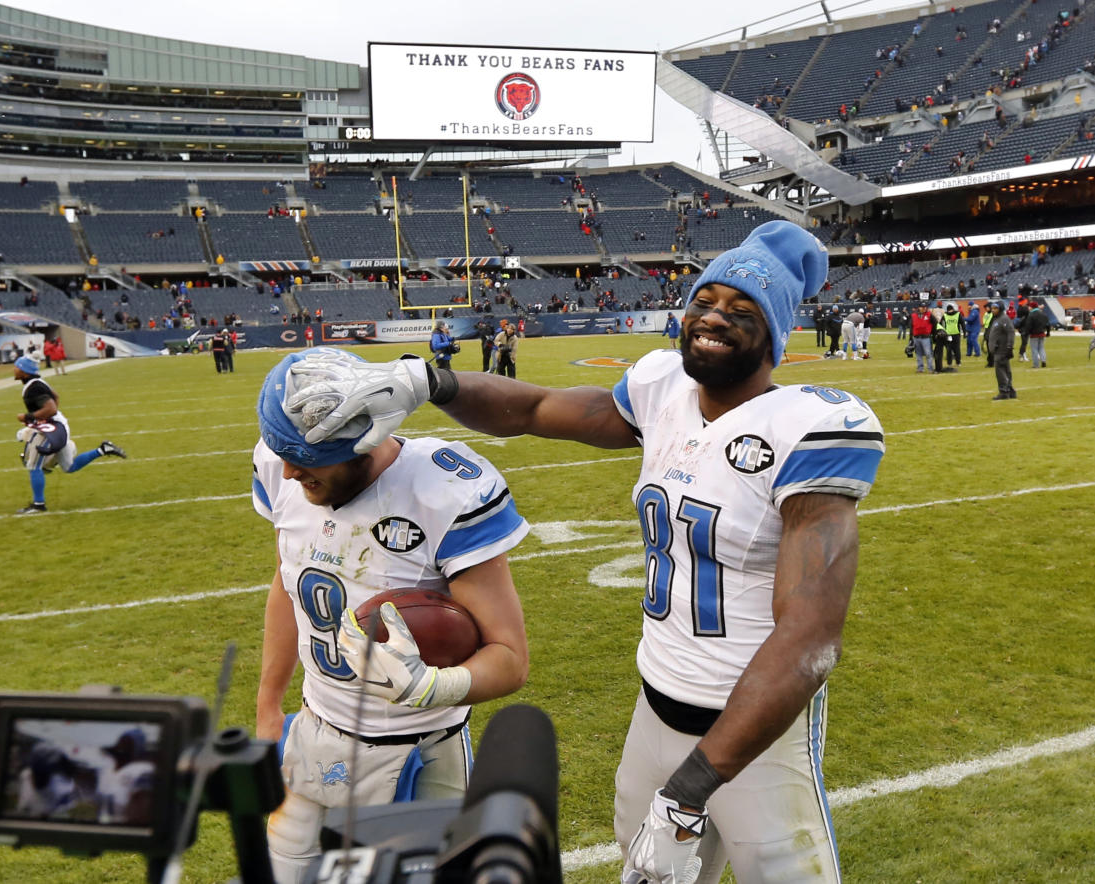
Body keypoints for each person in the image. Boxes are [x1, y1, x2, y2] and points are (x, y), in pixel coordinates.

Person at [291, 221, 886, 884]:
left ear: (774, 333)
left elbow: (808, 638)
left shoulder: (809, 428)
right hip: (655, 703)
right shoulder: (663, 392)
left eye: (741, 310)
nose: (714, 317)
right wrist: (429, 383)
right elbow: (535, 408)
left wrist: (690, 791)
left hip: (755, 737)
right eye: (704, 301)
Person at [252, 349, 531, 883]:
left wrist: (433, 686)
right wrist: (269, 707)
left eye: (304, 458)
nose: (288, 470)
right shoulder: (280, 465)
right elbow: (288, 582)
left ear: (362, 439)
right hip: (317, 733)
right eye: (281, 451)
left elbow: (510, 658)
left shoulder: (442, 489)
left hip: (423, 753)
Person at [13, 356, 127, 514]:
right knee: (68, 466)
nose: (14, 369)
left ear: (24, 372)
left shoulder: (33, 387)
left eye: (17, 367)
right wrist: (47, 418)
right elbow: (56, 397)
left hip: (52, 430)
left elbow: (51, 408)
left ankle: (39, 504)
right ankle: (103, 449)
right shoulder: (37, 383)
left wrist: (28, 417)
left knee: (33, 465)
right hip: (59, 426)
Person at [987, 300, 1017, 399]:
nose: (993, 310)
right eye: (992, 308)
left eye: (995, 308)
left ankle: (1004, 392)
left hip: (1001, 350)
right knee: (1006, 371)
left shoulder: (1004, 319)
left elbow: (1011, 332)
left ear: (1000, 309)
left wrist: (1009, 347)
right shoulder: (997, 319)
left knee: (1000, 371)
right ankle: (1010, 391)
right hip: (998, 350)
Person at [911, 303, 935, 373]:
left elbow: (935, 323)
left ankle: (930, 368)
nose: (924, 308)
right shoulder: (913, 315)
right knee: (918, 354)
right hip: (916, 337)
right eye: (922, 307)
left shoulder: (929, 315)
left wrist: (934, 333)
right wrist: (910, 338)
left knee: (928, 353)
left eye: (925, 307)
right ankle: (920, 368)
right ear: (919, 308)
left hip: (926, 337)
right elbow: (911, 326)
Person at [1023, 301, 1048, 367]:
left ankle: (1036, 364)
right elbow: (1047, 323)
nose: (1028, 307)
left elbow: (1028, 325)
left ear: (1032, 307)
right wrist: (1048, 332)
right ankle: (1043, 360)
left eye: (1029, 306)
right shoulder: (1042, 313)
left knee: (1034, 349)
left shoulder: (1031, 314)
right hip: (1042, 333)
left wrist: (1026, 333)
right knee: (1041, 348)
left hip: (1034, 334)